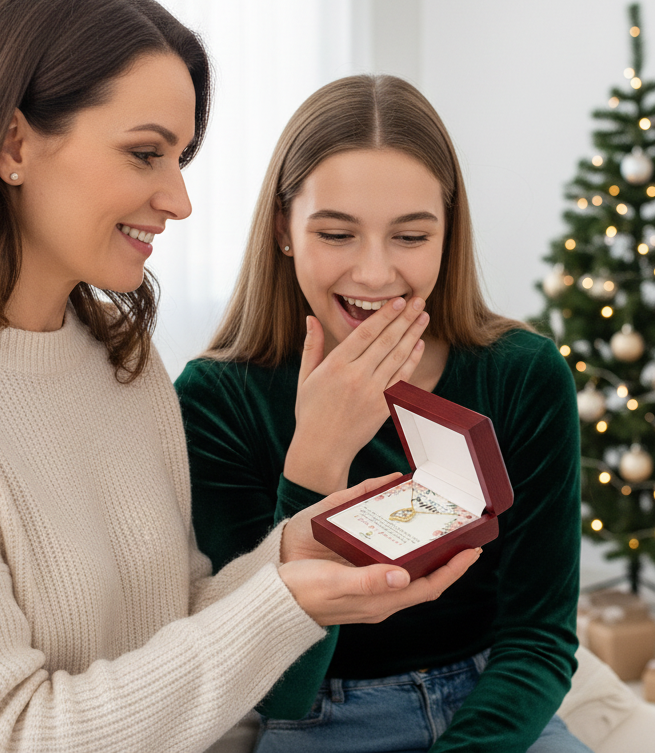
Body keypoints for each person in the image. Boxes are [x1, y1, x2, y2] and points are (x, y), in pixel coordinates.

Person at [0, 0, 482, 753]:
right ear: (12, 144)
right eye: (145, 154)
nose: (179, 199)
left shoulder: (117, 359)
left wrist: (289, 556)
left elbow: (172, 632)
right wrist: (285, 602)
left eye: (182, 159)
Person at [175, 74, 591, 753]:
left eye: (411, 236)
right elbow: (275, 689)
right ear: (283, 229)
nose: (374, 274)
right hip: (320, 718)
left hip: (491, 703)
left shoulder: (522, 374)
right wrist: (318, 457)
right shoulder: (217, 398)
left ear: (447, 235)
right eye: (337, 234)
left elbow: (539, 638)